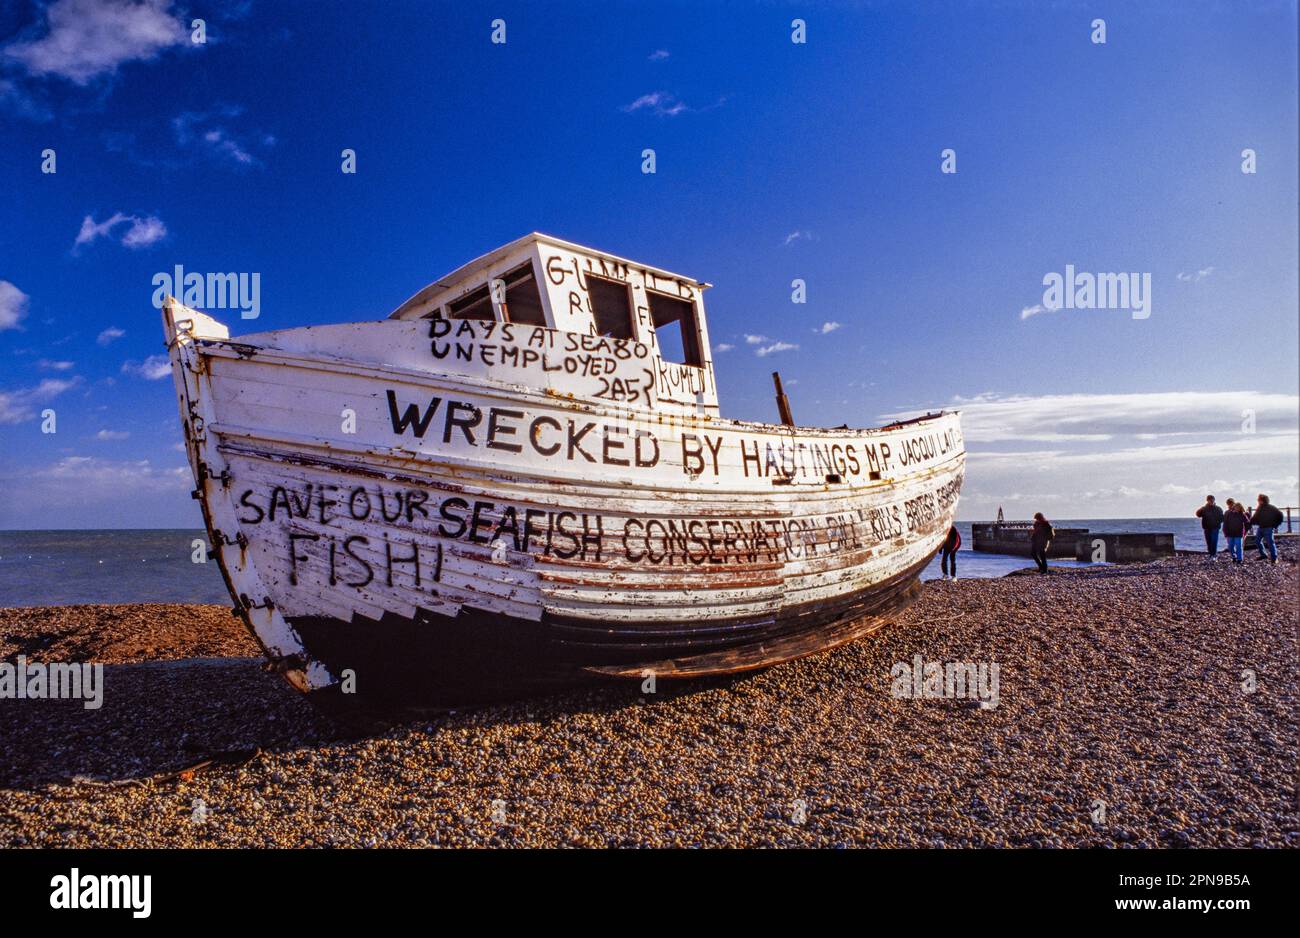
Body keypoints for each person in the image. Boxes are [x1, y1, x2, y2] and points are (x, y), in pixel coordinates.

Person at [1251, 493, 1282, 563]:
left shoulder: (1271, 508)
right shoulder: (1259, 508)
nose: (1258, 501)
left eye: (1258, 500)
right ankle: (1263, 554)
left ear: (1262, 500)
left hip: (1268, 528)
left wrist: (1275, 525)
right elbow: (1255, 517)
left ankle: (1274, 558)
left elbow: (1280, 515)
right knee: (1257, 541)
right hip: (1261, 528)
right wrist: (1251, 522)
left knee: (1270, 543)